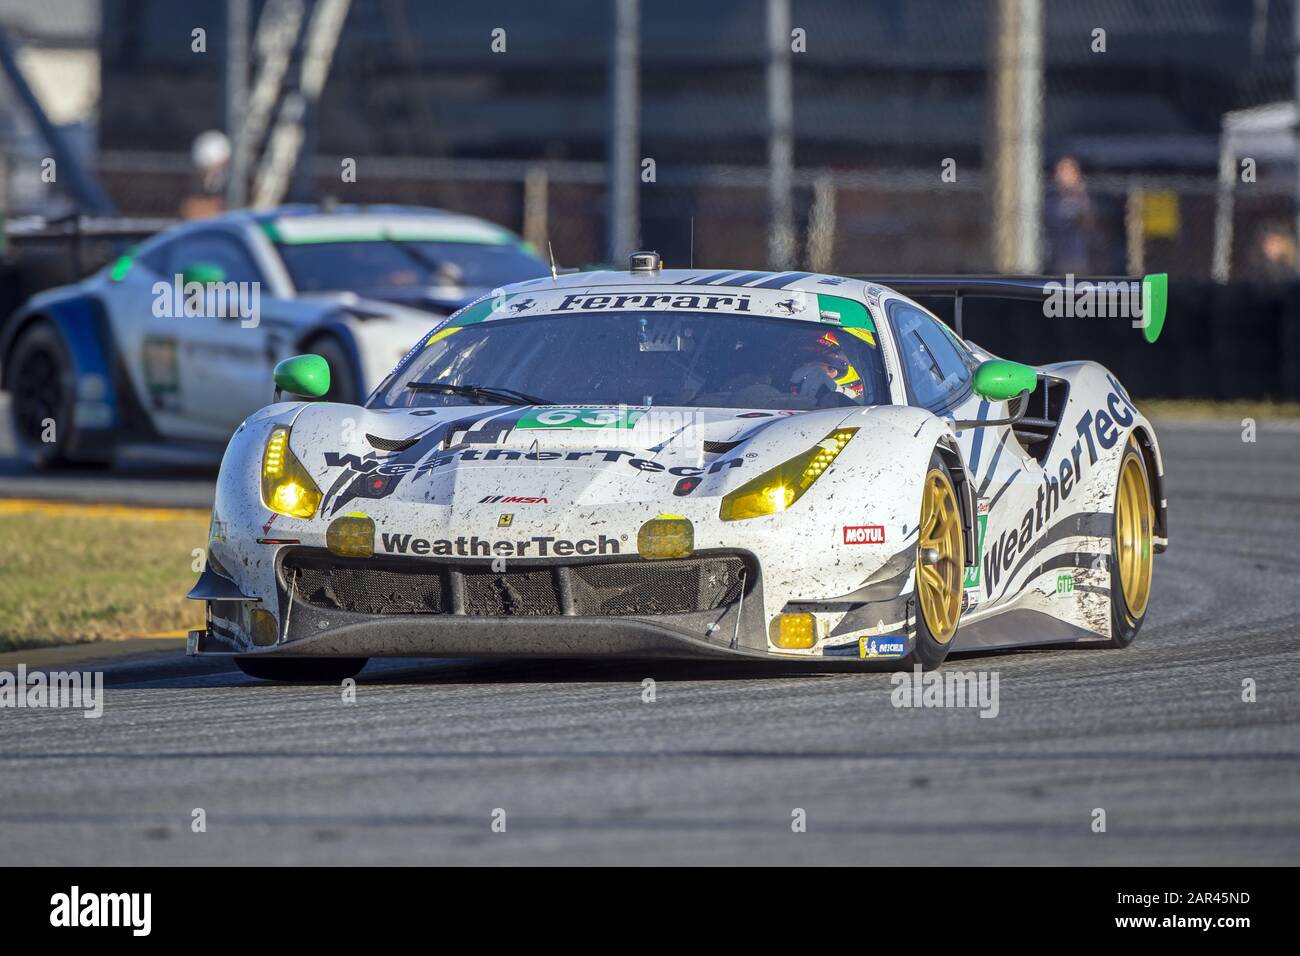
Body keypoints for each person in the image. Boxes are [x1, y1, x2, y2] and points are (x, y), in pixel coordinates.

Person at [1043, 155, 1095, 274]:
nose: (1061, 176)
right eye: (1060, 171)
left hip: (1079, 258)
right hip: (1055, 258)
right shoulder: (1051, 201)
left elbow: (1090, 224)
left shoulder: (1085, 199)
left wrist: (1081, 196)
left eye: (1066, 171)